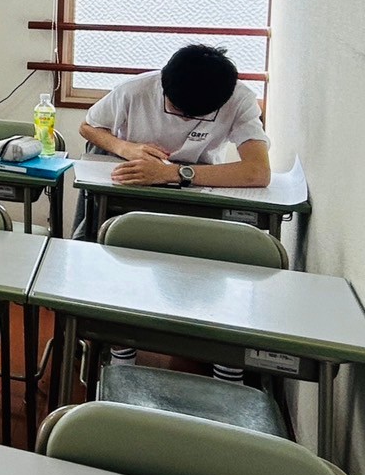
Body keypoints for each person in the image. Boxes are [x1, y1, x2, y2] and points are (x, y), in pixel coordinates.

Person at [76, 43, 271, 376]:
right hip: (131, 186)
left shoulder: (238, 99)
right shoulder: (136, 90)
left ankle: (223, 362)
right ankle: (120, 351)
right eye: (177, 109)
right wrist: (126, 147)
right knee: (113, 257)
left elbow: (258, 171)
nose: (183, 119)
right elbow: (90, 127)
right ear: (163, 83)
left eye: (194, 115)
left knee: (215, 266)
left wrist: (174, 172)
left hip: (195, 189)